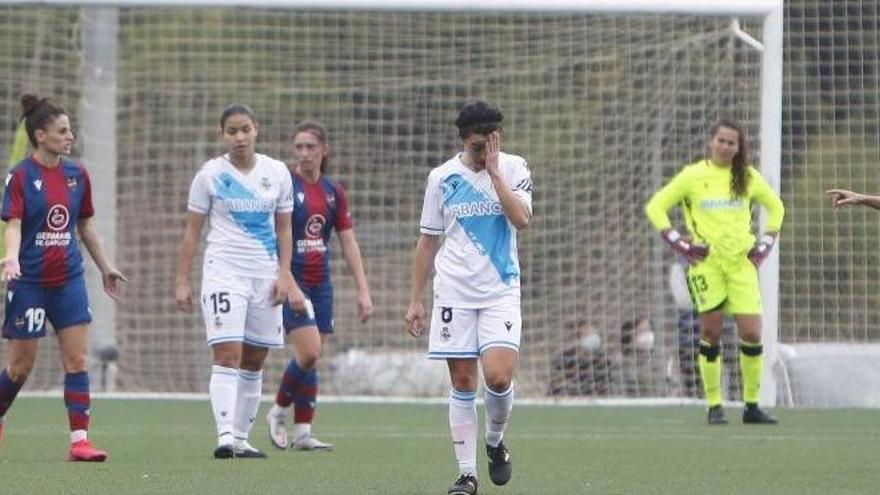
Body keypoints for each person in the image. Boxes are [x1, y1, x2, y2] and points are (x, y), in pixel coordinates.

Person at [405, 100, 532, 495]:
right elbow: (428, 242)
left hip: (499, 291)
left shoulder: (514, 168)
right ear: (463, 141)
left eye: (492, 142)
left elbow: (522, 219)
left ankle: (494, 442)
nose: (485, 151)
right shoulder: (441, 178)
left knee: (497, 376)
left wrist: (494, 173)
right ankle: (466, 473)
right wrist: (416, 299)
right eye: (478, 146)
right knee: (462, 381)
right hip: (454, 292)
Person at [0, 94, 126, 460]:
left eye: (70, 130)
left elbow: (84, 226)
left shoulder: (77, 174)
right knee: (20, 367)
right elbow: (14, 225)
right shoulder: (21, 176)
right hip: (29, 284)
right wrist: (10, 259)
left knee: (77, 360)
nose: (70, 136)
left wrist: (105, 267)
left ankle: (80, 442)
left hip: (68, 281)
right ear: (41, 135)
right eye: (62, 130)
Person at [644, 119, 784, 425]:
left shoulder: (747, 177)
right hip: (706, 266)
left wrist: (765, 242)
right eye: (720, 140)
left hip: (742, 266)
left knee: (751, 332)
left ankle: (751, 406)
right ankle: (714, 404)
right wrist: (679, 243)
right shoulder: (692, 176)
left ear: (738, 148)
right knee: (711, 332)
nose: (725, 146)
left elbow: (777, 208)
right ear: (711, 142)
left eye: (731, 142)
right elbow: (656, 206)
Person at [175, 103, 295, 459]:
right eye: (232, 131)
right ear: (222, 135)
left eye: (245, 129)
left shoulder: (277, 172)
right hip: (224, 272)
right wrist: (182, 280)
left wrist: (284, 273)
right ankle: (224, 435)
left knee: (255, 358)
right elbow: (192, 234)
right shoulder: (210, 176)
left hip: (265, 274)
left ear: (256, 129)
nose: (240, 137)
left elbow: (285, 227)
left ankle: (242, 438)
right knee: (228, 354)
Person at [265, 120, 373, 451]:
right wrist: (288, 283)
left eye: (311, 147)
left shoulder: (332, 192)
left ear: (324, 150)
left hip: (321, 283)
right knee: (309, 351)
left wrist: (363, 290)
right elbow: (271, 238)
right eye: (299, 147)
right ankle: (277, 411)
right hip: (291, 280)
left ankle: (302, 433)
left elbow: (349, 243)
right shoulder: (286, 186)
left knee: (312, 356)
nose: (304, 153)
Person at [548, 320, 610, 396]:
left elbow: (585, 349)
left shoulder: (593, 339)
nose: (583, 330)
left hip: (589, 366)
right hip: (580, 364)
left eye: (586, 328)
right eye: (581, 329)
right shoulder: (579, 343)